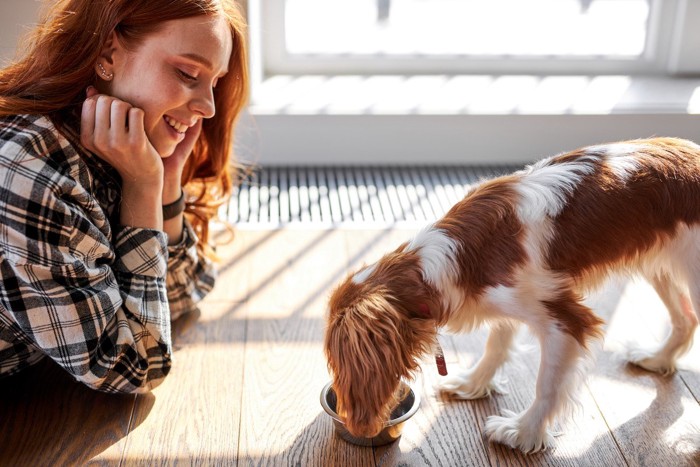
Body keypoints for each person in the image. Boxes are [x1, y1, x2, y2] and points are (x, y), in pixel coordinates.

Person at [0, 0, 249, 393]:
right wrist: (144, 186)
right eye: (187, 73)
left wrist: (165, 186)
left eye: (214, 82)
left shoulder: (122, 147)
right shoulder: (32, 173)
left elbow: (185, 290)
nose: (208, 107)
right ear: (108, 52)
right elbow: (136, 365)